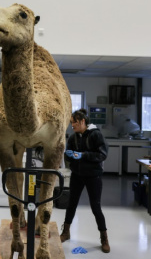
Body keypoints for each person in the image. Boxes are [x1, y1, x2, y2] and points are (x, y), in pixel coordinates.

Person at [60, 108, 111, 253]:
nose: (72, 126)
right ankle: (66, 232)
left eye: (74, 123)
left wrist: (83, 155)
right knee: (71, 204)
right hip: (77, 174)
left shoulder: (96, 134)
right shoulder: (73, 137)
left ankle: (104, 237)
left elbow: (102, 155)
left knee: (96, 207)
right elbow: (69, 155)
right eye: (71, 123)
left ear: (83, 121)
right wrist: (69, 155)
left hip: (93, 176)